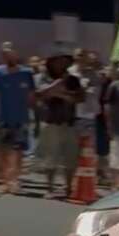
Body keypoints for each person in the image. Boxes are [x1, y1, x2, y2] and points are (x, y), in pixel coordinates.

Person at [0, 41, 35, 194]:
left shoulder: (26, 73)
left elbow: (31, 97)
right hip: (3, 118)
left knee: (18, 151)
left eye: (11, 52)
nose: (8, 55)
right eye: (5, 53)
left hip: (21, 118)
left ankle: (14, 180)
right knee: (3, 150)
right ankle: (6, 180)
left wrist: (34, 117)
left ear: (16, 54)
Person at [35, 52, 83, 198]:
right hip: (51, 121)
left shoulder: (73, 79)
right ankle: (50, 188)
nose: (62, 64)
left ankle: (69, 187)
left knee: (71, 157)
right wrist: (58, 86)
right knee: (50, 156)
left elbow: (80, 97)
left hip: (69, 122)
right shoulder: (43, 77)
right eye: (59, 61)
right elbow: (41, 94)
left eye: (65, 61)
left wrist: (62, 94)